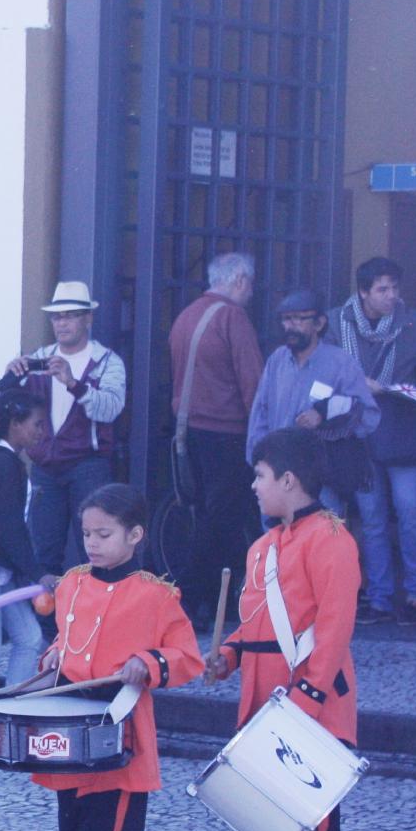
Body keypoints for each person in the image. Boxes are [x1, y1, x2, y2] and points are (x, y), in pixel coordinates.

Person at [31, 484, 201, 831]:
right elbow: (70, 637)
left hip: (119, 739)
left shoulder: (156, 594)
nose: (92, 543)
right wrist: (54, 655)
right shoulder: (72, 584)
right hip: (71, 736)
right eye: (87, 533)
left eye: (104, 534)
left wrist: (149, 662)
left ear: (135, 535)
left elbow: (187, 657)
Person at [204, 428, 358, 831]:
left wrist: (309, 696)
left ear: (288, 480)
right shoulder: (262, 547)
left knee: (313, 806)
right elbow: (254, 622)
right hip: (265, 693)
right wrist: (228, 655)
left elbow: (334, 627)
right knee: (272, 806)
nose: (254, 486)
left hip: (314, 695)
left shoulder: (332, 538)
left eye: (261, 476)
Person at [329, 257, 416, 625]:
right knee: (373, 518)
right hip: (360, 434)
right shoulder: (338, 322)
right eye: (382, 289)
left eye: (395, 287)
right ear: (364, 292)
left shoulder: (413, 322)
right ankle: (379, 597)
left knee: (411, 511)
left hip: (402, 431)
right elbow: (326, 369)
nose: (391, 295)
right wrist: (357, 384)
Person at [0, 281, 127, 575]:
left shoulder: (107, 362)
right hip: (45, 467)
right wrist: (10, 378)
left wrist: (72, 383)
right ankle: (48, 607)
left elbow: (110, 409)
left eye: (70, 316)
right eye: (56, 317)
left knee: (96, 550)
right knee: (43, 552)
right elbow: (8, 410)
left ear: (88, 318)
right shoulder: (39, 358)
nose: (62, 323)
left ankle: (94, 604)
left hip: (88, 466)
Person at [167, 252, 265, 623]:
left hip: (189, 430)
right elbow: (252, 381)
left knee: (209, 516)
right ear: (239, 280)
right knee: (221, 520)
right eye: (250, 283)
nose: (251, 292)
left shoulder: (187, 315)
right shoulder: (232, 317)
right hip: (226, 432)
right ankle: (189, 600)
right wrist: (264, 433)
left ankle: (210, 603)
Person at [245, 291, 379, 515]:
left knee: (323, 532)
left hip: (320, 477)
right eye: (286, 319)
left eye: (299, 319)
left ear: (319, 323)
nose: (290, 326)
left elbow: (368, 415)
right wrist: (258, 459)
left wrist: (325, 416)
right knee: (275, 534)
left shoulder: (340, 363)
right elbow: (260, 414)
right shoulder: (277, 361)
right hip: (277, 471)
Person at [0, 390, 53, 686]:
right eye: (37, 424)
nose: (41, 431)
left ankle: (9, 708)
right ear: (15, 423)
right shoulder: (4, 464)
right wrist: (37, 573)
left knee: (30, 638)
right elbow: (9, 527)